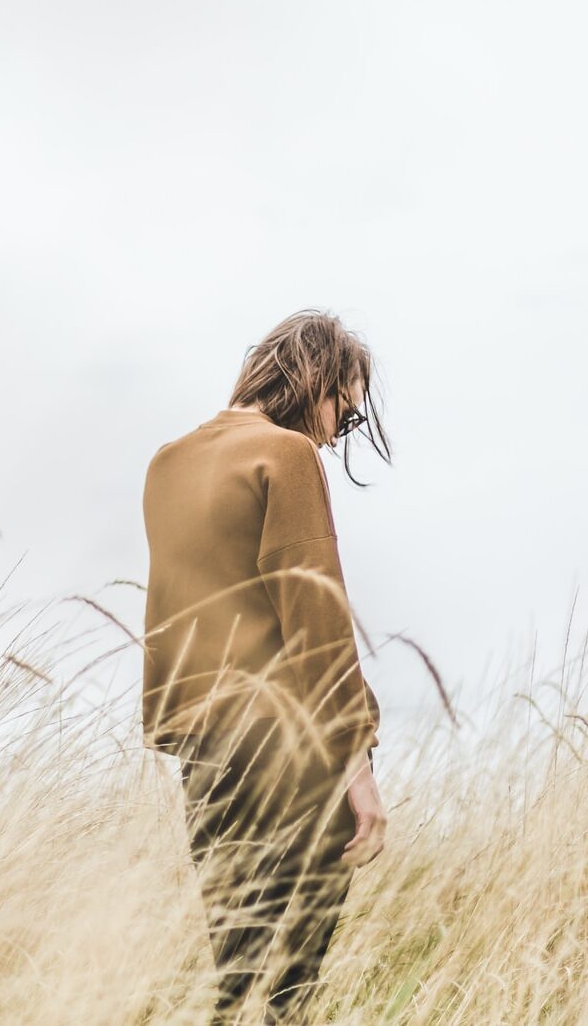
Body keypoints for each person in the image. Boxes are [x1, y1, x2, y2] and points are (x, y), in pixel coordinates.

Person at [141, 308, 392, 1023]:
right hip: (290, 746)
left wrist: (183, 737)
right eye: (341, 413)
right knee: (291, 987)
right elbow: (315, 617)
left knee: (236, 970)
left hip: (205, 752)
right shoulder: (284, 455)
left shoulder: (168, 463)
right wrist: (357, 764)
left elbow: (171, 618)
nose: (332, 433)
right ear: (312, 380)